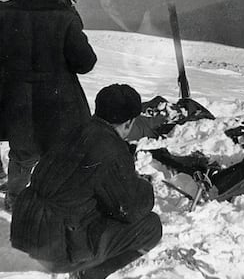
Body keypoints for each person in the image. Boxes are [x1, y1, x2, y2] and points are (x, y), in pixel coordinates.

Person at [10, 84, 163, 279]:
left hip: (24, 228)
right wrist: (144, 186)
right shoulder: (111, 148)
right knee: (151, 226)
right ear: (128, 123)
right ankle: (90, 274)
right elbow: (130, 210)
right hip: (55, 248)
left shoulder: (74, 129)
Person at [0, 0, 97, 209]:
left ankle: (15, 199)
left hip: (16, 102)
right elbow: (85, 62)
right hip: (58, 104)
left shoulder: (4, 11)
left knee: (21, 154)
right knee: (60, 154)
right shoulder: (63, 14)